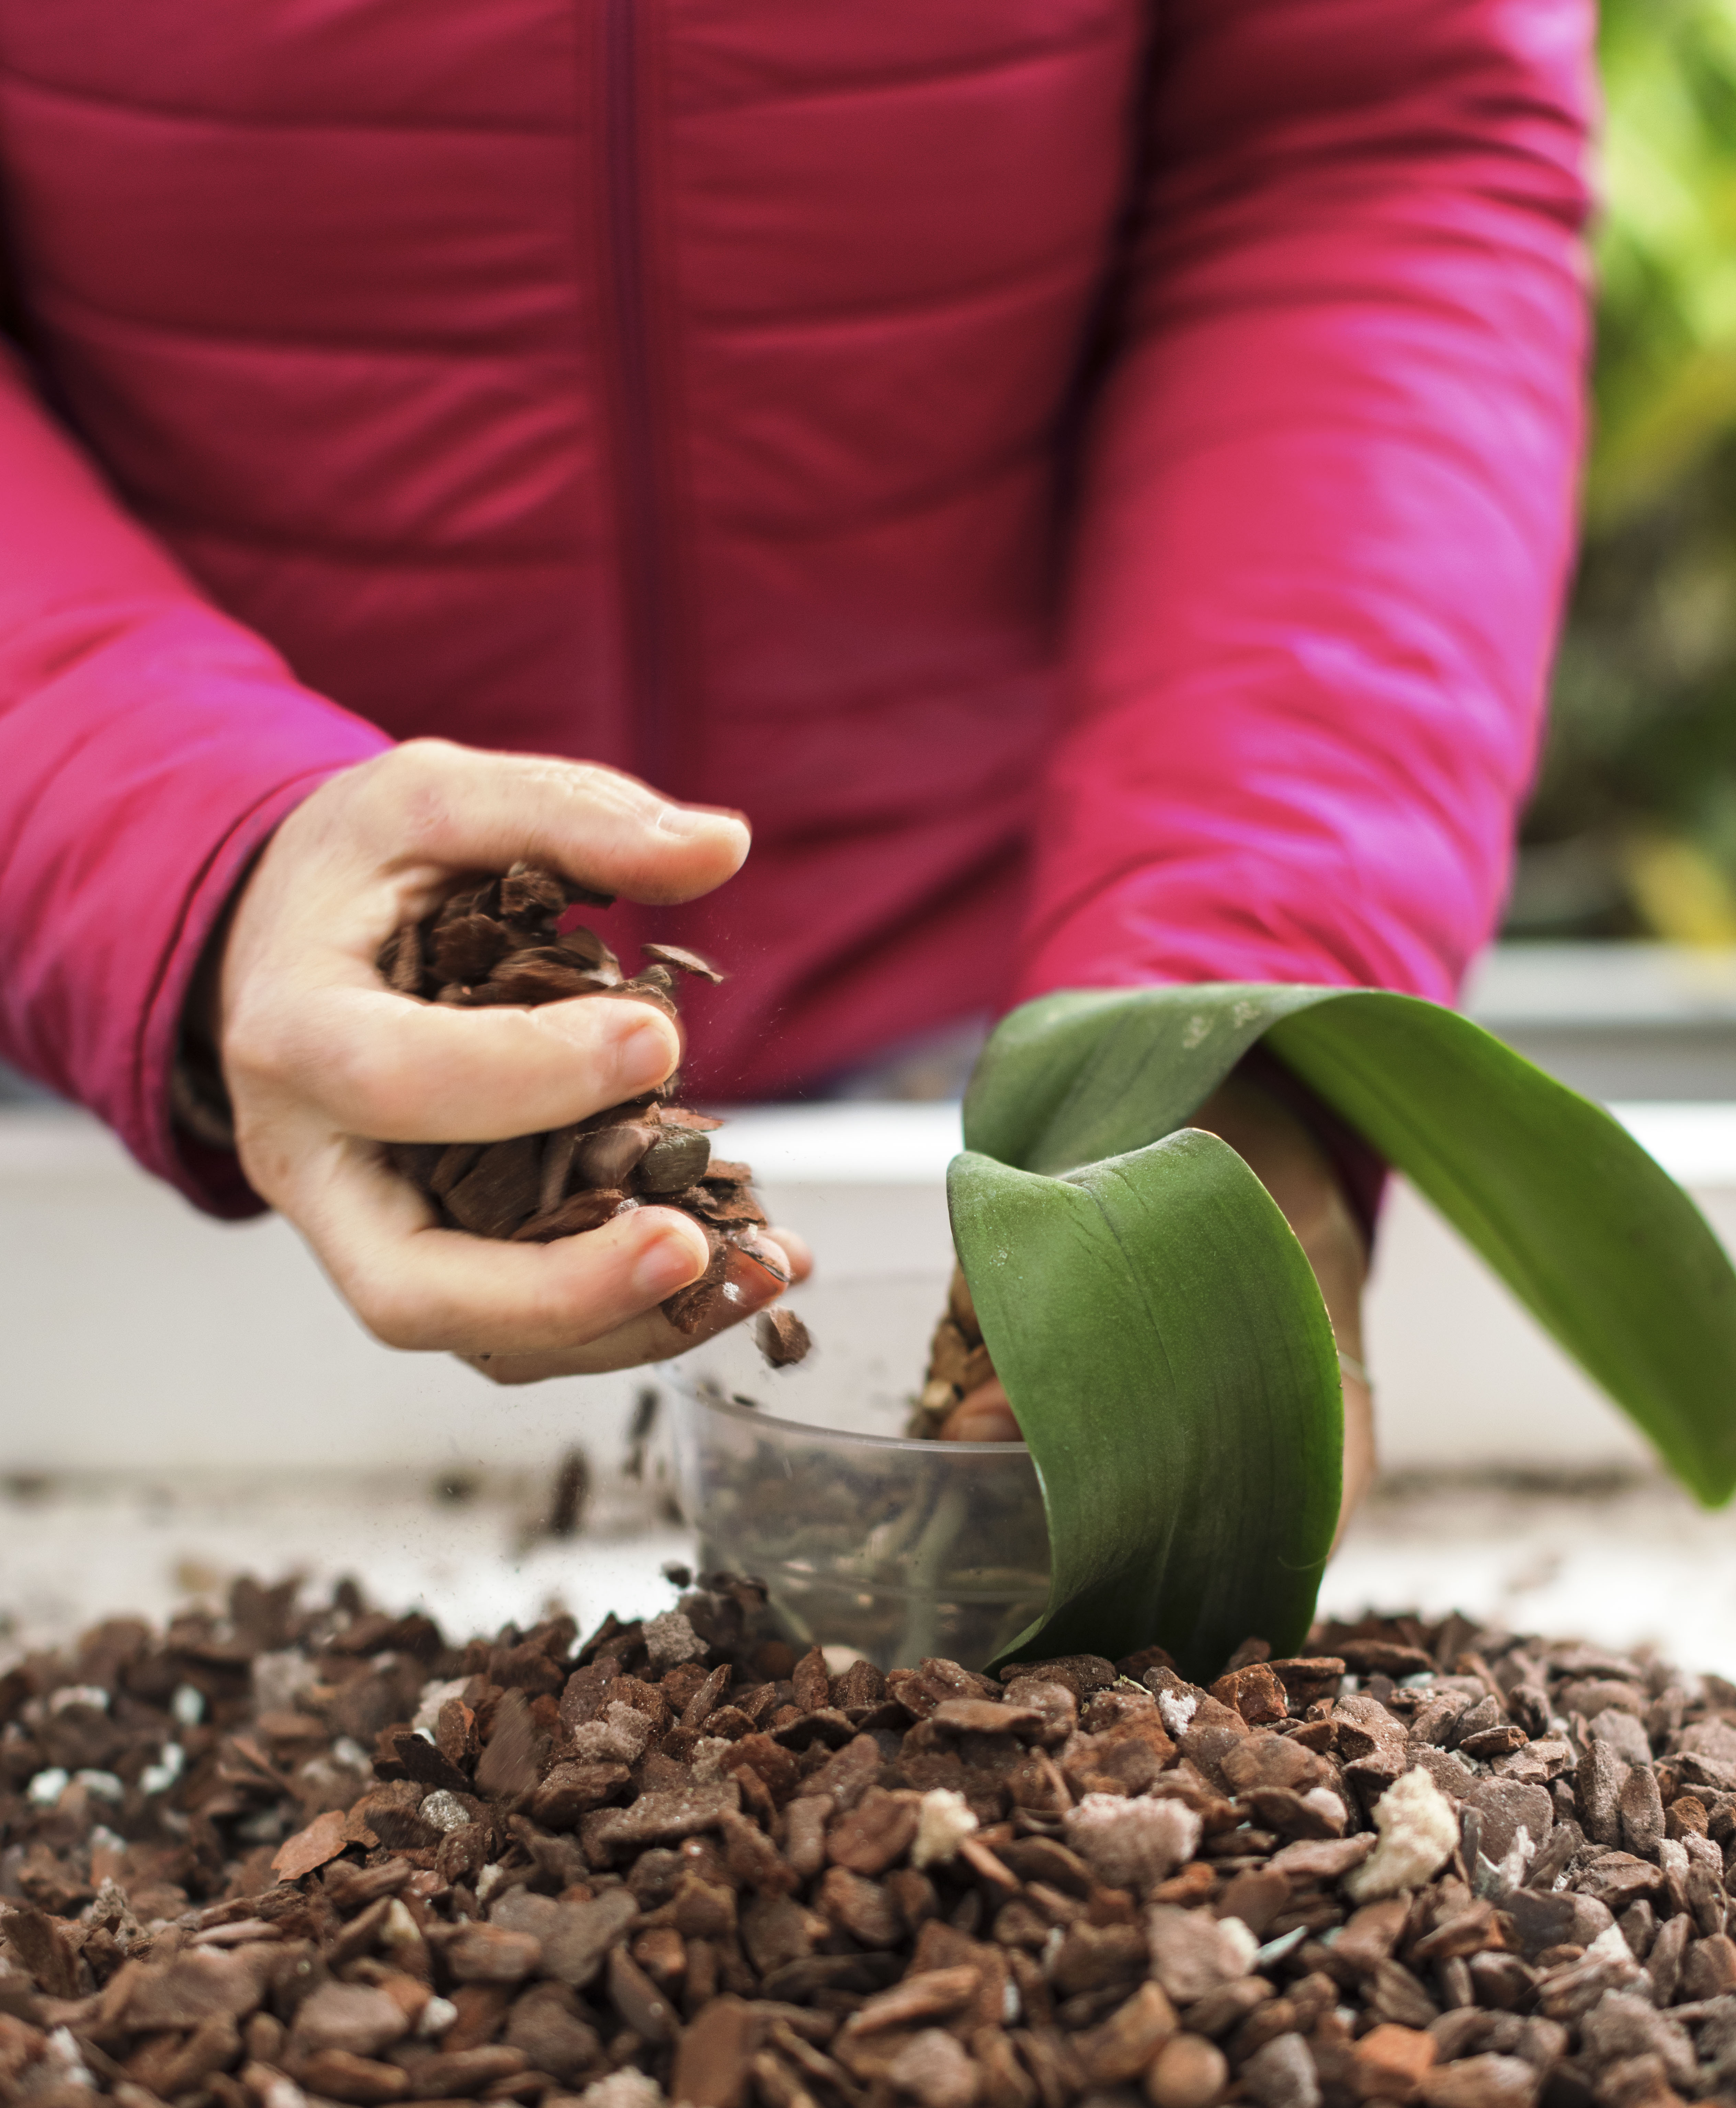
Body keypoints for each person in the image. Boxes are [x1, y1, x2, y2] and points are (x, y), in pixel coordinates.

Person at [0, 1, 1592, 1526]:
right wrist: (165, 850)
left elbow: (1366, 134)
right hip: (134, 1019)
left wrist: (1221, 995)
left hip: (1006, 991)